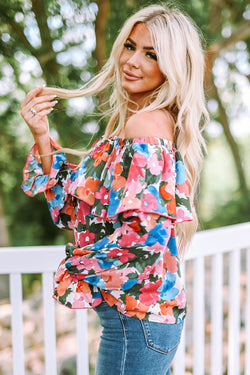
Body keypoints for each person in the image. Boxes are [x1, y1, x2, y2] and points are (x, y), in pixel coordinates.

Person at [21, 4, 209, 375]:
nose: (132, 61)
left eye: (151, 54)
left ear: (172, 67)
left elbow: (145, 240)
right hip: (143, 323)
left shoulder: (146, 125)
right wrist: (42, 136)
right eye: (130, 46)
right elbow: (76, 213)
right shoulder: (137, 125)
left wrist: (76, 266)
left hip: (137, 326)